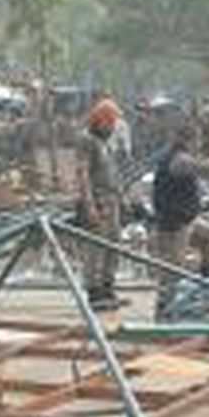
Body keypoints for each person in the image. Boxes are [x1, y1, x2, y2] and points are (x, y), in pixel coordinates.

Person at [151, 122, 209, 320]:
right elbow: (205, 169)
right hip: (173, 223)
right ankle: (164, 311)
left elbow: (182, 188)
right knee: (172, 269)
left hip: (187, 219)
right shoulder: (179, 158)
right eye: (199, 139)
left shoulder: (180, 156)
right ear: (190, 140)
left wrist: (198, 205)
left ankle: (207, 285)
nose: (200, 143)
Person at [77, 98, 125, 311]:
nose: (114, 126)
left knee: (112, 246)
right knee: (96, 249)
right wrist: (90, 206)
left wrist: (122, 198)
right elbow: (83, 174)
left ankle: (108, 288)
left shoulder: (106, 143)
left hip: (111, 200)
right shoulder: (87, 140)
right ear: (100, 121)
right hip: (98, 201)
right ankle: (94, 292)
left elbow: (112, 173)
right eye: (110, 122)